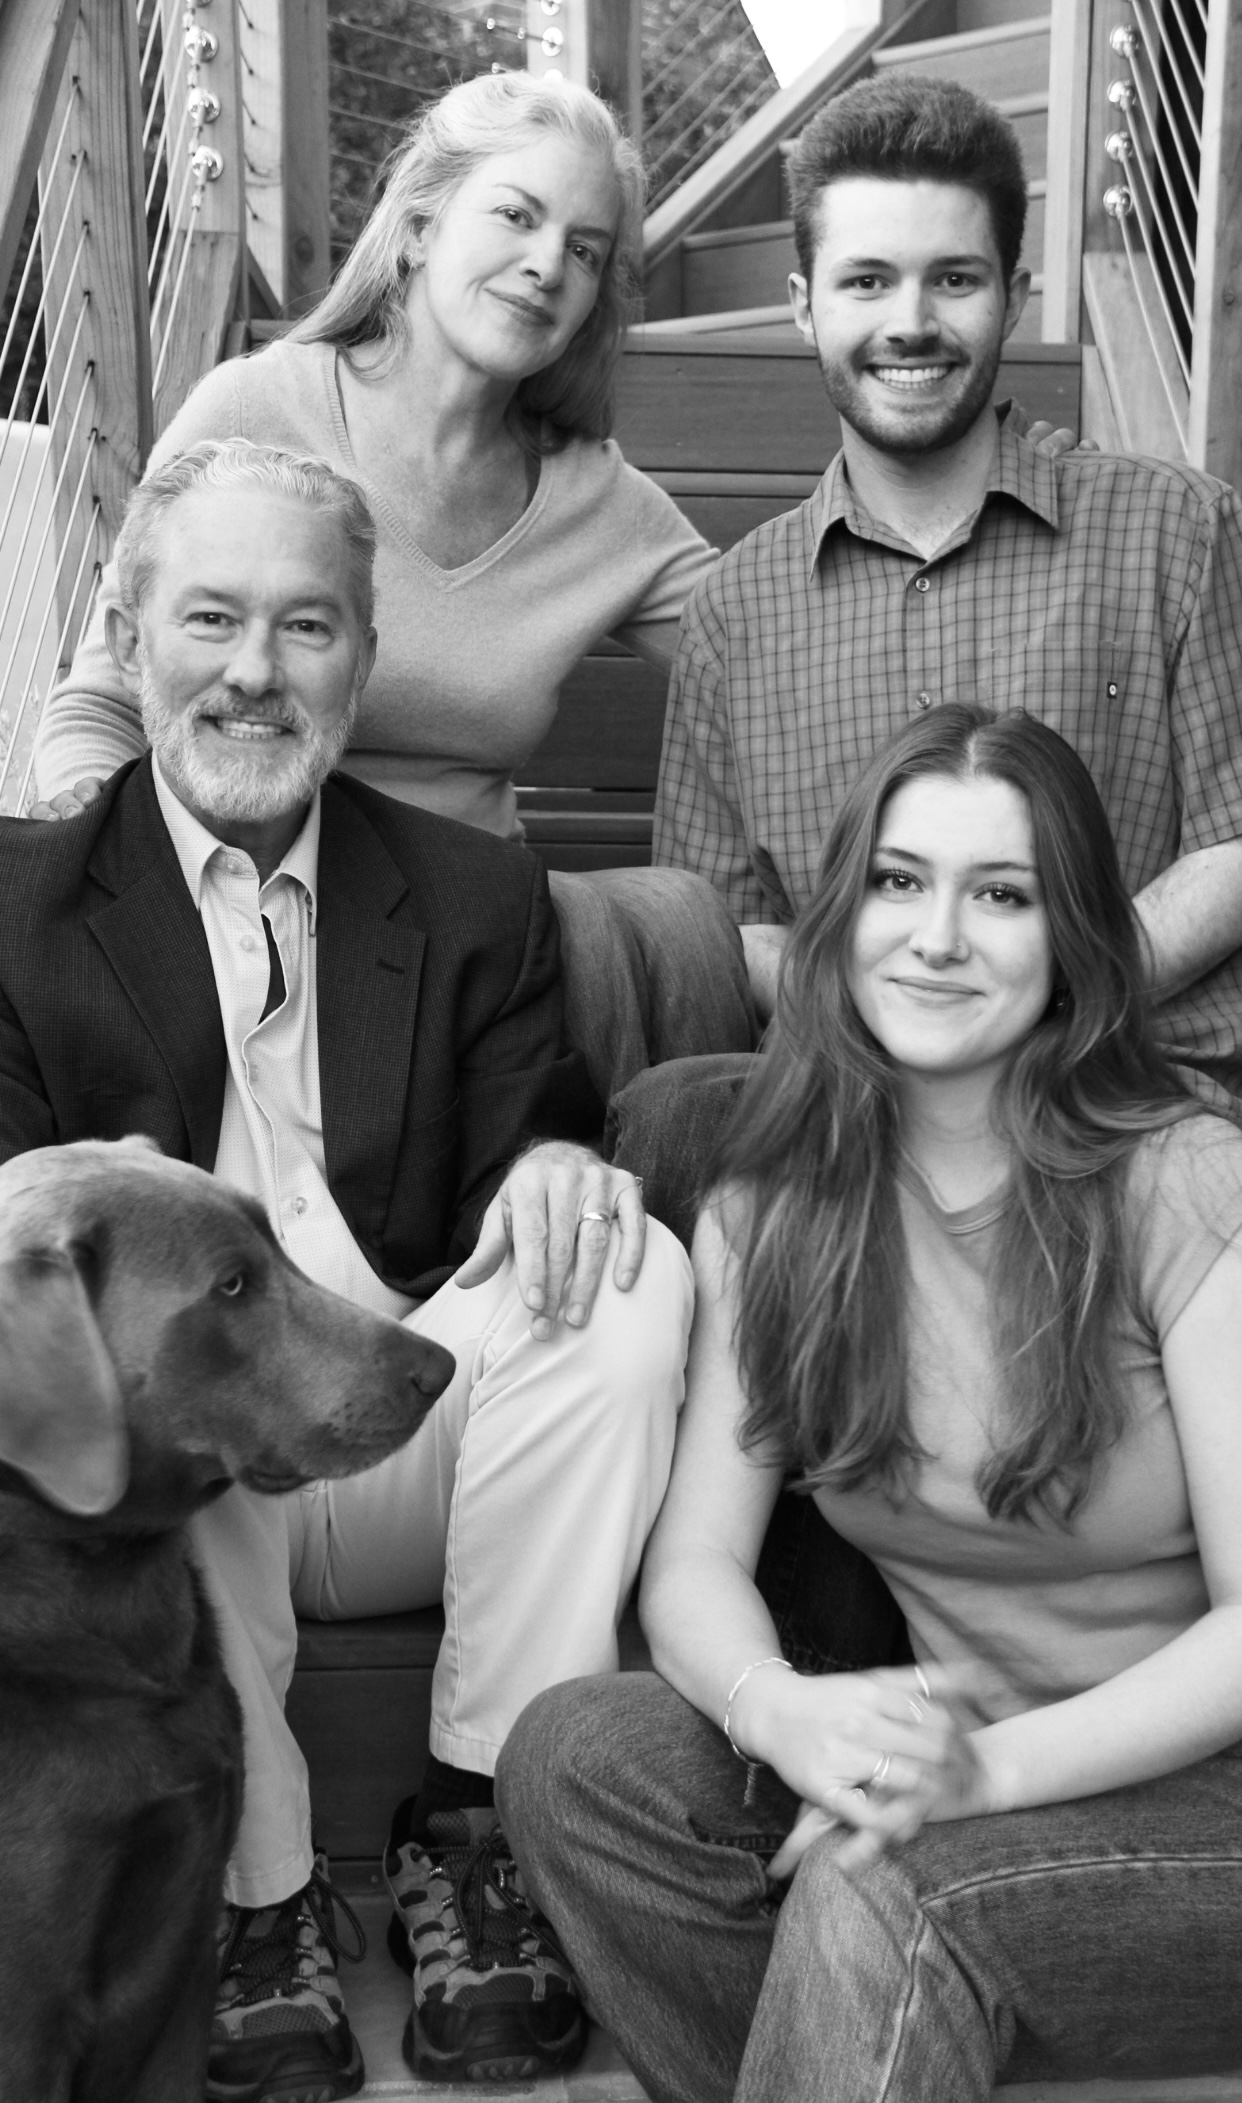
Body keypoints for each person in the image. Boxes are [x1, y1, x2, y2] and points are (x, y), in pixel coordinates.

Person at [0, 438, 693, 2099]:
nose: (255, 671)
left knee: (631, 1267)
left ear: (365, 658)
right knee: (170, 1376)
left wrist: (549, 1171)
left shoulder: (471, 891)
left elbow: (530, 1137)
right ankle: (255, 1894)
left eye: (307, 627)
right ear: (127, 628)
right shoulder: (14, 907)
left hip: (410, 1430)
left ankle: (481, 1827)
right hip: (160, 1508)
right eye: (212, 618)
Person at [497, 705, 1242, 2103]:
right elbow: (698, 1565)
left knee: (890, 1882)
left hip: (1200, 1796)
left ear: (1073, 941)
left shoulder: (1186, 1182)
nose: (937, 935)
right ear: (841, 916)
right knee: (576, 1759)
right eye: (899, 882)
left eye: (999, 894)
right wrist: (782, 1714)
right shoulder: (772, 1210)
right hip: (957, 1769)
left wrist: (974, 1777)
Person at [30, 70, 755, 1100]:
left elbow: (770, 652)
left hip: (474, 957)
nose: (549, 264)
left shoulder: (604, 501)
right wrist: (98, 882)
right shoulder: (255, 407)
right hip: (247, 911)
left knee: (665, 928)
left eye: (586, 251)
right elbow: (106, 693)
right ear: (417, 227)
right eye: (516, 214)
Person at [652, 71, 1242, 1099]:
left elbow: (1235, 847)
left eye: (955, 280)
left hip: (1134, 1102)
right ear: (804, 307)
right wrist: (913, 1023)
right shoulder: (735, 613)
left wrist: (1040, 1010)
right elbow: (727, 929)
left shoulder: (1178, 533)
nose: (911, 322)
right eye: (867, 281)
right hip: (862, 1128)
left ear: (1015, 295)